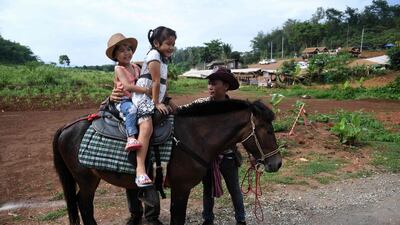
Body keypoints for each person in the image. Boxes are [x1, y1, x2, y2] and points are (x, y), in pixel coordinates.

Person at [187, 68, 246, 225]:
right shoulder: (200, 104)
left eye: (214, 83)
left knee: (234, 190)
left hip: (228, 157)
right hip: (207, 159)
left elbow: (242, 134)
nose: (210, 87)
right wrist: (164, 100)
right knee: (208, 190)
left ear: (225, 86)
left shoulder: (235, 109)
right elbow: (181, 112)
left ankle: (241, 220)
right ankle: (208, 219)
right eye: (209, 83)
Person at [106, 33, 154, 188]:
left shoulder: (135, 66)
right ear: (115, 56)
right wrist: (146, 90)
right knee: (132, 111)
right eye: (121, 51)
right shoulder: (119, 69)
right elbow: (127, 87)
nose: (126, 53)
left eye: (128, 49)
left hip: (137, 98)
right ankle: (131, 137)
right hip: (126, 100)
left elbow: (147, 65)